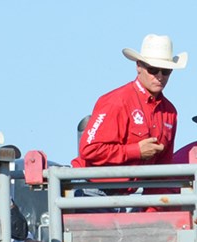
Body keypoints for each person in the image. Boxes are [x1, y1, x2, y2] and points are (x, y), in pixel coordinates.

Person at [73, 34, 187, 170]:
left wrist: (160, 191)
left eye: (166, 71)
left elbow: (162, 167)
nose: (160, 76)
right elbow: (89, 149)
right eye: (153, 69)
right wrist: (136, 151)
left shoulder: (169, 112)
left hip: (122, 189)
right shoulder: (117, 101)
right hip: (92, 187)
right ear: (138, 66)